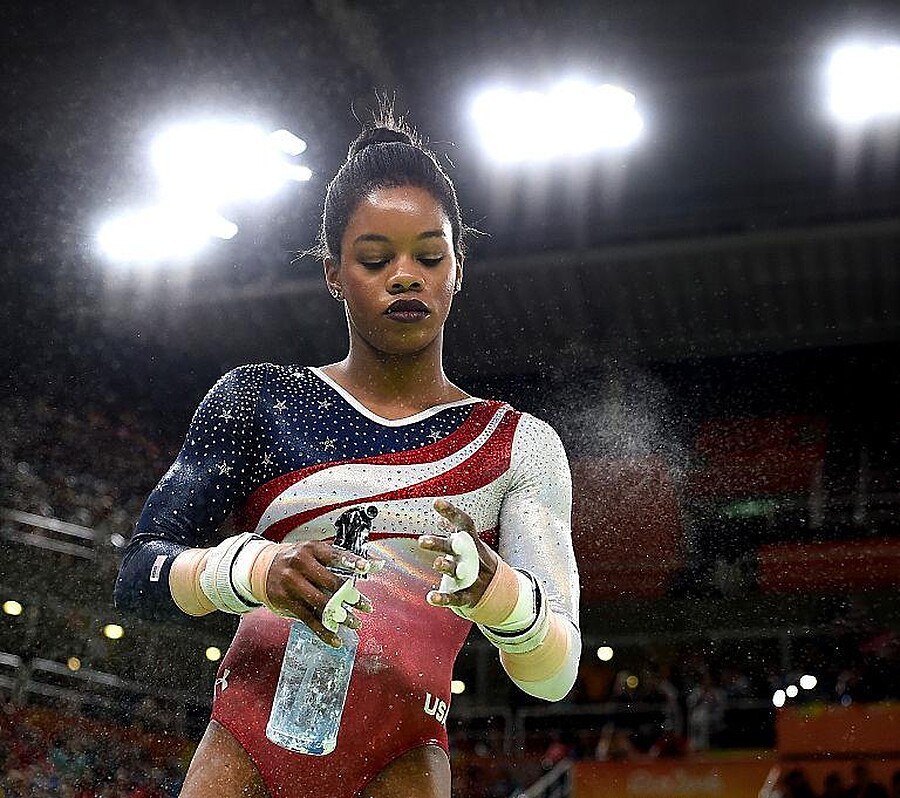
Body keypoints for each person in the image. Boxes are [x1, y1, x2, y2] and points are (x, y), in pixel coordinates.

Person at [113, 111, 581, 798]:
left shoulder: (516, 445)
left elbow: (554, 673)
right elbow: (138, 575)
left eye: (429, 256)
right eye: (374, 259)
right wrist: (257, 569)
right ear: (334, 273)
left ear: (459, 269)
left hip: (402, 760)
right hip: (243, 749)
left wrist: (502, 598)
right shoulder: (259, 400)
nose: (404, 277)